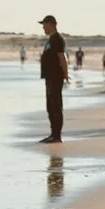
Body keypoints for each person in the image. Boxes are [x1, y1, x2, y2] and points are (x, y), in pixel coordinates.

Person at [38, 15, 68, 143]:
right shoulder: (51, 40)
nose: (43, 27)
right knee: (50, 106)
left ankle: (57, 135)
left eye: (44, 24)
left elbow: (62, 57)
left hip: (55, 77)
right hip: (50, 77)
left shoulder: (57, 39)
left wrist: (65, 74)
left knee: (55, 106)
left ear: (51, 24)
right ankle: (53, 134)